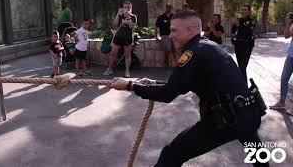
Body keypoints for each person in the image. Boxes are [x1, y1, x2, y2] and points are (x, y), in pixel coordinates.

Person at [111, 9, 268, 167]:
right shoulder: (207, 46)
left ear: (190, 30)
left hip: (227, 119)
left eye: (174, 30)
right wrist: (151, 83)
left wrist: (130, 85)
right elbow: (179, 84)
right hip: (248, 113)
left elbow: (168, 94)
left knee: (173, 153)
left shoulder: (193, 53)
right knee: (258, 157)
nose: (170, 35)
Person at [103, 1, 137, 78]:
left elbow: (132, 27)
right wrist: (118, 13)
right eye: (125, 7)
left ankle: (127, 71)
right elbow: (115, 24)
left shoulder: (133, 16)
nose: (126, 9)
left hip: (127, 38)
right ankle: (109, 68)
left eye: (128, 7)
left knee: (127, 55)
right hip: (118, 37)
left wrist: (128, 18)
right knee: (112, 54)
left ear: (131, 8)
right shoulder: (120, 15)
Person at [270, 12, 293, 116]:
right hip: (291, 55)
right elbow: (286, 35)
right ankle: (282, 103)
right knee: (284, 78)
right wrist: (288, 23)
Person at [231, 4, 256, 84]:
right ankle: (242, 87)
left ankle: (244, 88)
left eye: (245, 10)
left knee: (242, 66)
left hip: (247, 46)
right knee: (241, 67)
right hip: (238, 45)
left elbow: (247, 32)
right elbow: (233, 31)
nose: (243, 11)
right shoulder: (239, 20)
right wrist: (234, 24)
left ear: (249, 11)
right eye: (242, 10)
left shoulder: (252, 21)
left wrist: (238, 25)